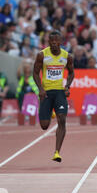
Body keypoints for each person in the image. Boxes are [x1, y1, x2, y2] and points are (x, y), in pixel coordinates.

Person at [33, 31, 74, 162]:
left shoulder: (67, 56)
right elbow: (35, 73)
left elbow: (72, 73)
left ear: (60, 42)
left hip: (59, 92)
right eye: (52, 42)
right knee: (44, 126)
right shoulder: (42, 55)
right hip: (46, 92)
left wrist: (67, 86)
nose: (54, 44)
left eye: (57, 42)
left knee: (62, 119)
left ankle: (57, 152)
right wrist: (40, 89)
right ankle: (50, 112)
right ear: (48, 42)